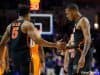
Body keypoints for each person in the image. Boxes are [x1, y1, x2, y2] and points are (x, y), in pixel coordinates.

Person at [0, 4, 66, 75]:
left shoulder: (10, 26)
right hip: (25, 57)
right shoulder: (27, 24)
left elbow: (2, 44)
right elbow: (39, 41)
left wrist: (1, 59)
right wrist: (55, 45)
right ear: (28, 14)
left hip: (14, 58)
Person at [64, 4, 92, 75]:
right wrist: (66, 47)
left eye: (68, 13)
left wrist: (83, 56)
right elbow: (77, 43)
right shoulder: (77, 22)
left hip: (83, 54)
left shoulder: (83, 20)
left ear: (73, 11)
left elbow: (88, 39)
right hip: (78, 54)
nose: (67, 16)